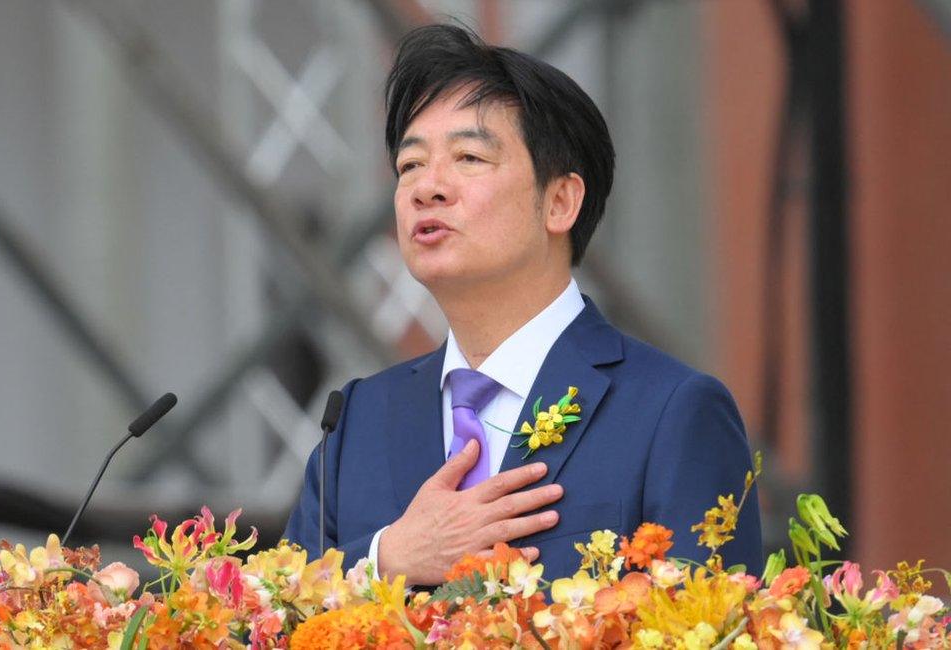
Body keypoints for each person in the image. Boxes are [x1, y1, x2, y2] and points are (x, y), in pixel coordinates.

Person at [284, 24, 762, 586]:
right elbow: (265, 625)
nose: (426, 188)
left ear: (560, 202)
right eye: (410, 165)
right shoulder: (357, 422)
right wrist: (386, 559)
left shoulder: (671, 413)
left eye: (468, 157)